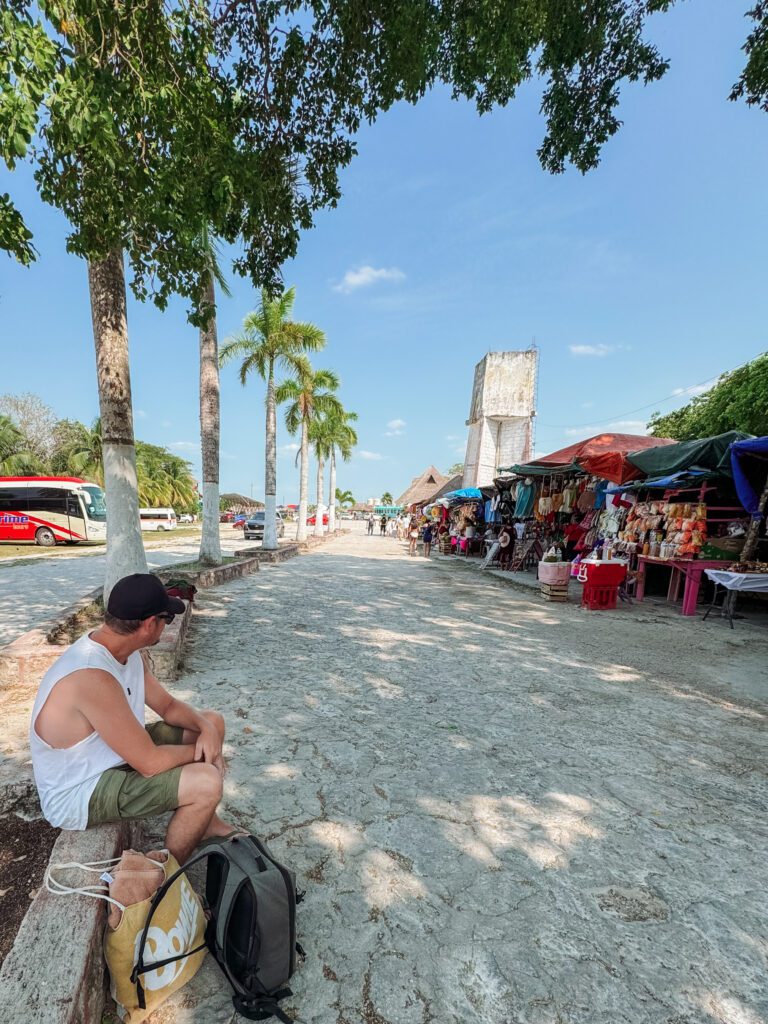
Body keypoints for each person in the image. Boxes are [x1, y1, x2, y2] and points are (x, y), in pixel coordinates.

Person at [29, 573, 237, 865]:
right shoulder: (91, 675)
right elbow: (150, 764)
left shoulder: (124, 652)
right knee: (207, 782)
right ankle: (164, 874)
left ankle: (207, 824)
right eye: (168, 619)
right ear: (150, 623)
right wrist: (205, 753)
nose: (167, 625)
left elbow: (166, 705)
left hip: (109, 755)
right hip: (80, 789)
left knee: (213, 721)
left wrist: (207, 730)